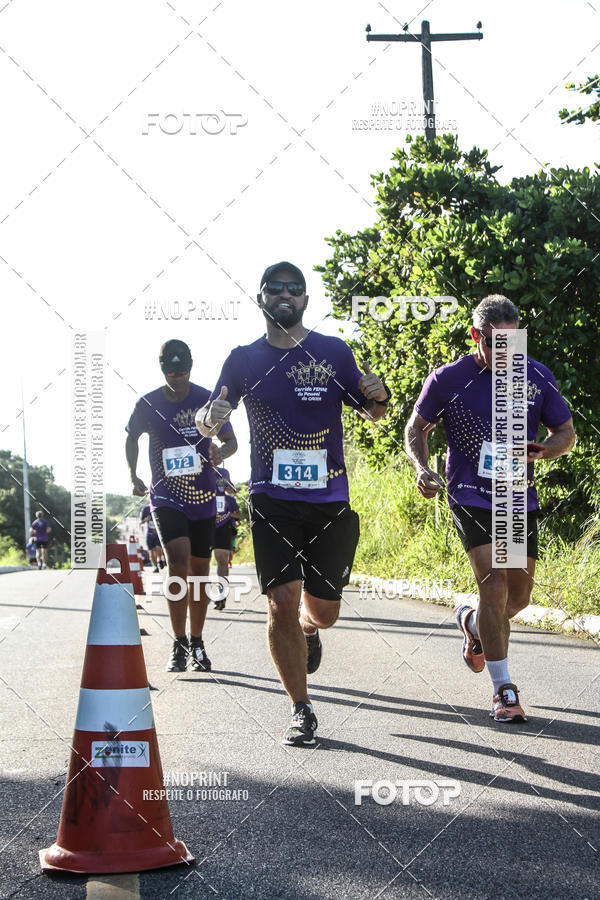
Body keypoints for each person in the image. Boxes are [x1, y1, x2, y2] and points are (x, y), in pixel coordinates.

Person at [196, 262, 389, 746]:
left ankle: (310, 626)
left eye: (294, 289)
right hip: (271, 498)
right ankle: (300, 709)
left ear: (305, 300)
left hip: (329, 497)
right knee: (280, 602)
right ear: (260, 297)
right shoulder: (243, 360)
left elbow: (373, 411)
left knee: (322, 611)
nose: (285, 295)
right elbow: (209, 417)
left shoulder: (332, 352)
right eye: (275, 289)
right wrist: (206, 419)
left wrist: (380, 396)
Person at [405, 295, 575, 723]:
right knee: (494, 585)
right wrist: (422, 467)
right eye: (497, 344)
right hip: (469, 493)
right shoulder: (447, 379)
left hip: (517, 494)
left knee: (516, 598)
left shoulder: (536, 376)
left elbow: (566, 433)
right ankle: (504, 690)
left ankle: (473, 624)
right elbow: (416, 427)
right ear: (475, 335)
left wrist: (544, 450)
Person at [125, 339, 238, 673]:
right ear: (162, 368)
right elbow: (131, 437)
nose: (177, 374)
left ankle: (197, 640)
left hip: (202, 499)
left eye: (182, 368)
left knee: (200, 574)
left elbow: (230, 440)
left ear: (191, 365)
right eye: (170, 369)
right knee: (178, 562)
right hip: (165, 496)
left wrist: (222, 453)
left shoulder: (208, 398)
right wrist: (132, 475)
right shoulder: (148, 404)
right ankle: (177, 642)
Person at [212, 468, 241, 610]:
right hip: (202, 520)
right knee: (199, 563)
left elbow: (232, 489)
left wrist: (229, 515)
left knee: (222, 559)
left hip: (223, 527)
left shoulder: (224, 472)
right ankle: (198, 596)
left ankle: (221, 595)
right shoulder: (199, 466)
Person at [140, 503, 165, 573]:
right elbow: (140, 522)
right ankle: (156, 567)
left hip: (158, 534)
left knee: (158, 548)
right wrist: (146, 519)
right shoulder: (145, 509)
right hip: (149, 534)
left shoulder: (160, 507)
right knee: (151, 552)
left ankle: (160, 560)